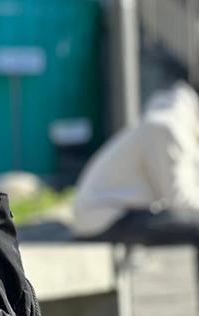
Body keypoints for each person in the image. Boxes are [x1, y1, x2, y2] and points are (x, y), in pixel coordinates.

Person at [72, 73, 199, 245]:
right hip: (105, 217)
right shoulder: (168, 128)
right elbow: (179, 200)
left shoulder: (174, 121)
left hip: (117, 212)